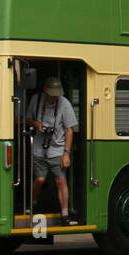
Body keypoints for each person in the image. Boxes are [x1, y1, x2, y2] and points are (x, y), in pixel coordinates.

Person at [25, 76, 78, 224]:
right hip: (39, 148)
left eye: (57, 93)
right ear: (45, 91)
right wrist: (37, 124)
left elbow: (69, 130)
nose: (54, 97)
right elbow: (27, 118)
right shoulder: (36, 100)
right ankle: (33, 204)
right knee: (40, 179)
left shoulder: (64, 104)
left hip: (57, 149)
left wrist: (66, 153)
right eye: (52, 93)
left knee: (61, 181)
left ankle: (65, 214)